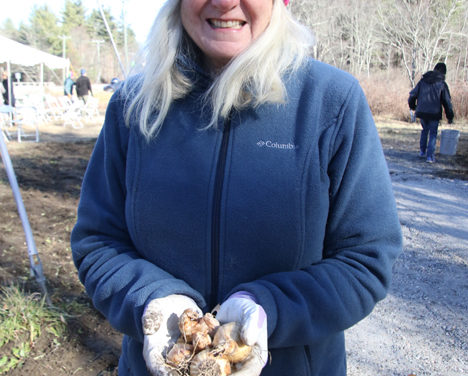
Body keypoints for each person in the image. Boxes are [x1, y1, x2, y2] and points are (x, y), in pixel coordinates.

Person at [71, 1, 402, 375]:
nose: (226, 2)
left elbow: (365, 260)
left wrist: (268, 309)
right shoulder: (133, 107)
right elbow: (97, 242)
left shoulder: (332, 102)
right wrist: (153, 303)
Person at [408, 62, 454, 163]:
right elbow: (447, 102)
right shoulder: (442, 84)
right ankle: (430, 157)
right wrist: (450, 116)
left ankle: (422, 151)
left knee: (425, 130)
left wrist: (413, 107)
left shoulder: (423, 81)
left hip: (422, 111)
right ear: (444, 73)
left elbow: (412, 95)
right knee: (433, 133)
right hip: (434, 113)